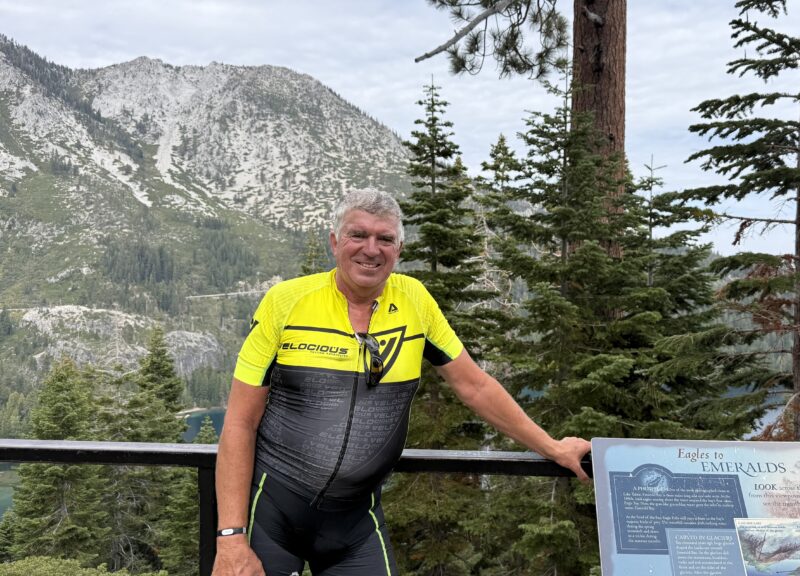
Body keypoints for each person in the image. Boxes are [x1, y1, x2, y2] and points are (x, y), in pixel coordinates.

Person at [213, 189, 591, 576]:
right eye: (357, 235)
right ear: (334, 242)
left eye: (385, 239)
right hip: (272, 517)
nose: (371, 249)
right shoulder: (285, 302)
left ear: (400, 248)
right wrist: (230, 538)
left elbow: (474, 386)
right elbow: (241, 422)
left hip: (356, 524)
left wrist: (551, 447)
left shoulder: (415, 301)